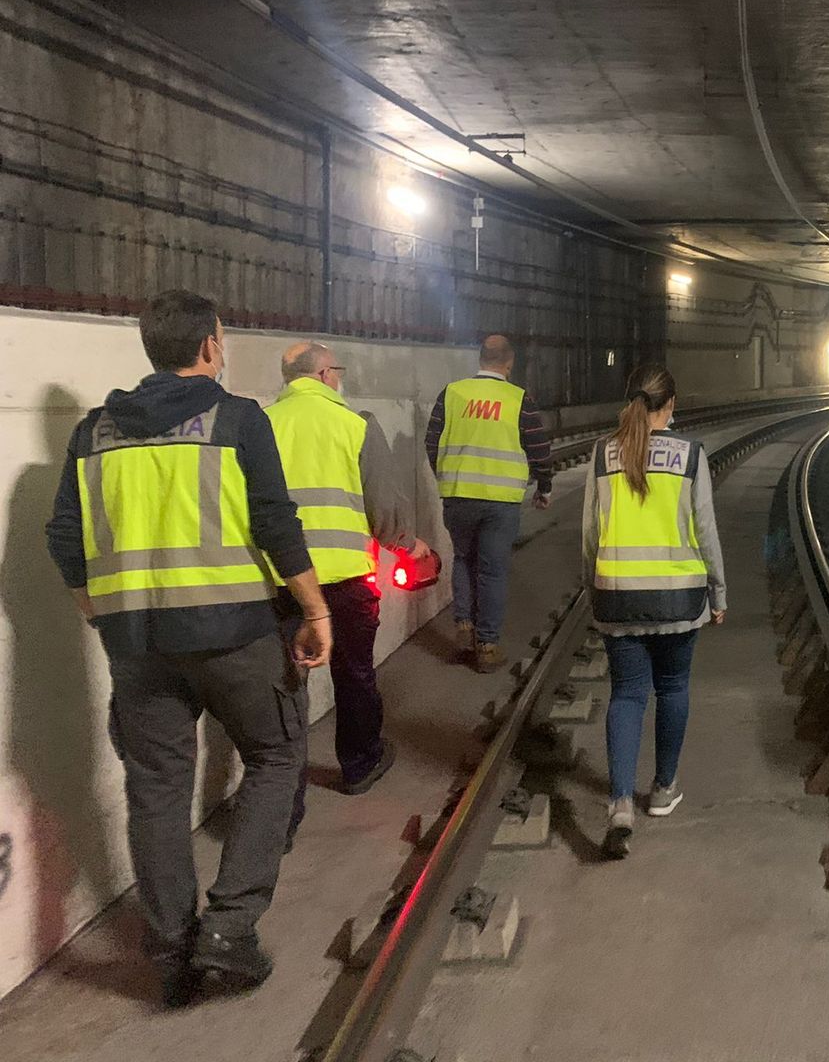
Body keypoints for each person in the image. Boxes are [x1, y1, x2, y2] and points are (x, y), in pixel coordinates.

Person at [44, 290, 332, 1005]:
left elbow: (63, 540)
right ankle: (230, 929)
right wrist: (315, 608)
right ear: (210, 345)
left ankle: (171, 952)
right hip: (235, 637)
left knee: (157, 793)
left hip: (138, 648)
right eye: (223, 338)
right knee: (273, 756)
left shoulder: (92, 434)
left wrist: (100, 613)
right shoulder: (236, 419)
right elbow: (274, 521)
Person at [267, 342, 431, 813]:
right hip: (345, 579)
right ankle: (360, 764)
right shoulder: (355, 425)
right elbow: (383, 507)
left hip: (281, 582)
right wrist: (408, 545)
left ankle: (282, 795)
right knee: (355, 673)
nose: (339, 379)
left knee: (283, 684)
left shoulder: (259, 425)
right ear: (322, 374)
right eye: (336, 371)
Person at [581, 363, 727, 860]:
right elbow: (704, 529)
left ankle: (620, 802)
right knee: (673, 688)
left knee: (626, 694)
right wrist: (719, 592)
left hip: (618, 594)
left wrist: (593, 588)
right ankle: (662, 790)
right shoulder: (690, 455)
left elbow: (590, 533)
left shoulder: (603, 453)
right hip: (679, 596)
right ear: (671, 406)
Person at [425, 334, 552, 673]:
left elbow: (431, 440)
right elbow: (539, 447)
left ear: (480, 359)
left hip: (458, 497)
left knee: (464, 560)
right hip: (500, 501)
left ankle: (464, 628)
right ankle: (488, 646)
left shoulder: (452, 394)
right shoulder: (518, 399)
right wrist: (545, 485)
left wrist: (447, 475)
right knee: (492, 571)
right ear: (509, 363)